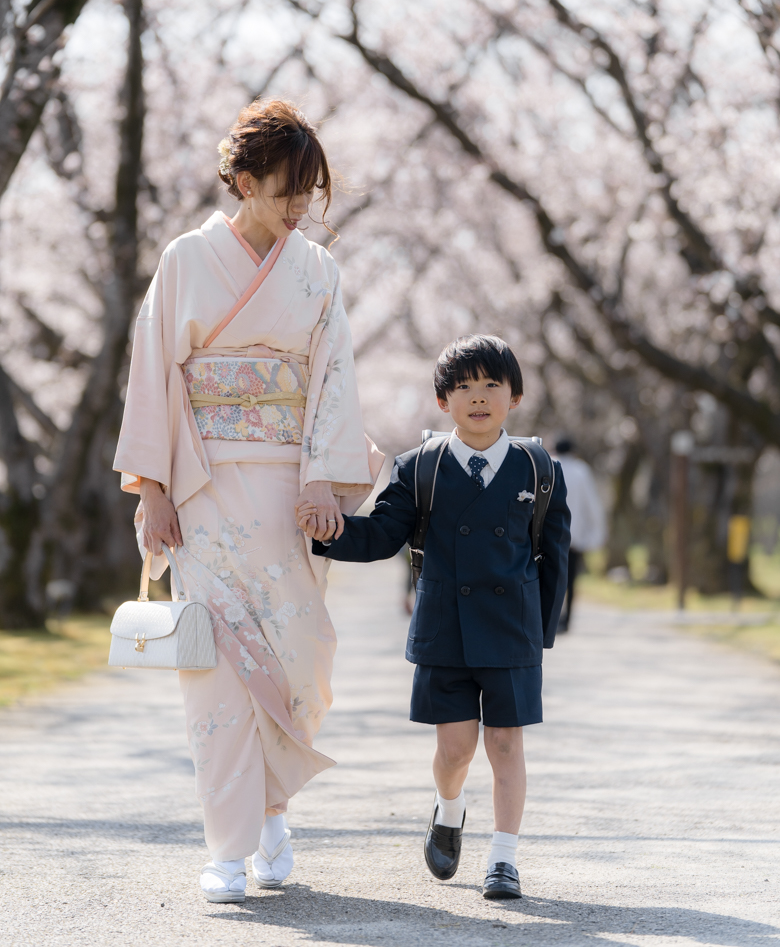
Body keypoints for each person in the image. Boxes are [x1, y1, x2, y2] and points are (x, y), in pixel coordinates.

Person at [113, 98, 383, 903]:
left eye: (310, 190)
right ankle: (228, 848)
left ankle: (271, 811)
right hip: (201, 485)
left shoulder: (317, 272)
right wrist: (155, 490)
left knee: (300, 660)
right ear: (242, 179)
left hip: (289, 491)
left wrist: (319, 480)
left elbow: (333, 379)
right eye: (286, 187)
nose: (300, 205)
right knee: (215, 669)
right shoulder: (186, 260)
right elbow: (155, 372)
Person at [296, 335, 570, 900]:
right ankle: (449, 809)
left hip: (511, 631)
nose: (478, 397)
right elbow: (381, 536)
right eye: (463, 386)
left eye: (492, 384)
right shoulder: (419, 466)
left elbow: (555, 557)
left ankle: (504, 858)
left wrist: (539, 634)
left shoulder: (538, 469)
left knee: (506, 744)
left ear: (514, 397)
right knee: (454, 749)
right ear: (442, 401)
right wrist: (331, 534)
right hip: (445, 626)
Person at [553, 439, 606, 632]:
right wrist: (595, 535)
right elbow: (591, 504)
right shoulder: (580, 470)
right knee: (570, 580)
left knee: (549, 578)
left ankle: (551, 617)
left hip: (547, 536)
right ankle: (567, 621)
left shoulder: (547, 465)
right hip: (573, 537)